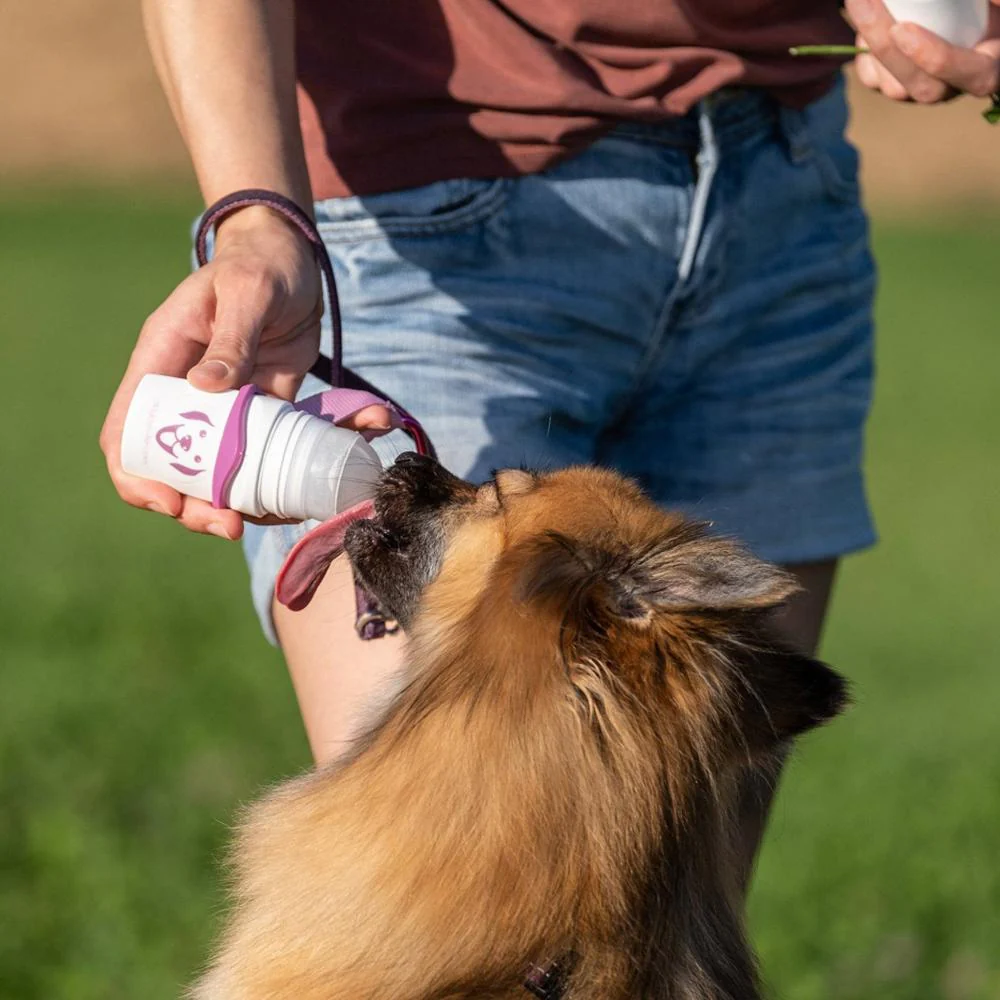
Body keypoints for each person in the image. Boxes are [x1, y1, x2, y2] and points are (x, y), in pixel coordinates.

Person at [101, 0, 998, 833]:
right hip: (427, 199)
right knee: (439, 893)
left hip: (784, 204)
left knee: (667, 924)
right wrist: (258, 220)